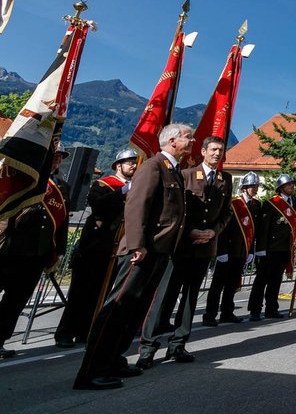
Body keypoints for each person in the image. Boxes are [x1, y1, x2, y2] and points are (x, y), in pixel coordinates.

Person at [73, 123, 192, 390]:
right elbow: (137, 205)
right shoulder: (153, 166)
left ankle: (114, 359)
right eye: (188, 136)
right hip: (143, 250)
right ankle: (90, 371)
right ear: (172, 140)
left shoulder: (174, 171)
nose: (192, 140)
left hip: (160, 250)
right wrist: (137, 244)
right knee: (117, 308)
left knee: (134, 311)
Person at [137, 136, 232, 368]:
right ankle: (148, 348)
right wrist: (190, 231)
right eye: (213, 149)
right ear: (203, 151)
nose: (217, 154)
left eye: (221, 150)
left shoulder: (225, 179)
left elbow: (226, 212)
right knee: (165, 297)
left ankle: (178, 344)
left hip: (205, 247)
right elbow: (177, 209)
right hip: (180, 246)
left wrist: (213, 232)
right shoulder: (187, 174)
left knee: (190, 298)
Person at [54, 148, 137, 349]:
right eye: (129, 162)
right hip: (95, 246)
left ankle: (86, 331)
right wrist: (123, 191)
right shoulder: (103, 184)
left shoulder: (135, 189)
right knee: (81, 292)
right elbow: (98, 205)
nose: (133, 166)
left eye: (135, 163)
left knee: (102, 291)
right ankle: (66, 332)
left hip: (116, 247)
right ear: (119, 166)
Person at [0, 172, 69, 359]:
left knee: (15, 302)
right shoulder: (21, 172)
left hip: (37, 253)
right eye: (53, 155)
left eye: (59, 157)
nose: (55, 160)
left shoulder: (60, 186)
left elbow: (63, 222)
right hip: (9, 249)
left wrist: (59, 250)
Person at [204, 171, 261, 325]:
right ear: (244, 188)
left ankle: (227, 312)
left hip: (242, 250)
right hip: (228, 250)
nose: (255, 189)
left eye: (256, 186)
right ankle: (210, 315)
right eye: (252, 186)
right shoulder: (234, 204)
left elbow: (254, 230)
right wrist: (221, 251)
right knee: (218, 285)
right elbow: (224, 230)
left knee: (232, 284)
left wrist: (251, 251)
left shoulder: (256, 205)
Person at [248, 174, 296, 320]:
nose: (292, 186)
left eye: (292, 184)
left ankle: (272, 308)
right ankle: (255, 309)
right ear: (281, 187)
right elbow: (264, 228)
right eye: (288, 184)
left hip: (285, 247)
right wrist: (261, 249)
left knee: (276, 280)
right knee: (261, 280)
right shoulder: (271, 203)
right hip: (270, 247)